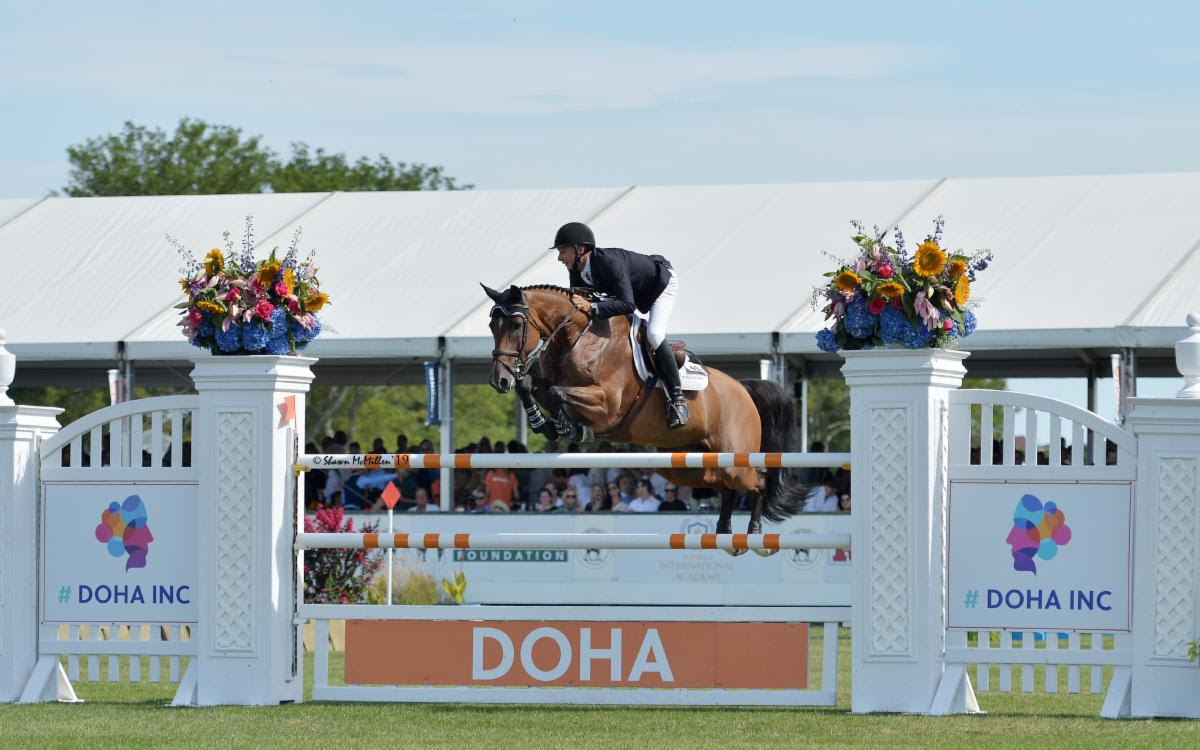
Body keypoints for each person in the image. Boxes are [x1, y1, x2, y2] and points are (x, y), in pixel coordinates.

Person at [552, 221, 689, 430]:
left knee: (654, 333)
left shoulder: (608, 262)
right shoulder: (576, 269)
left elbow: (627, 304)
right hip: (630, 292)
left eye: (563, 251)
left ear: (580, 250)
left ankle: (678, 401)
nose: (560, 258)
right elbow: (580, 306)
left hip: (660, 285)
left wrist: (593, 307)